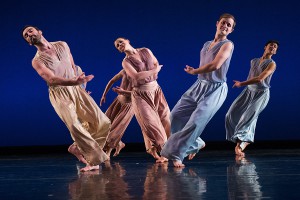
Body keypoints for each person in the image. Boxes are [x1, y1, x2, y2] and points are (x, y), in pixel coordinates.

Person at [22, 25, 111, 172]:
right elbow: (51, 79)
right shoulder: (37, 61)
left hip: (76, 88)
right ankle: (93, 160)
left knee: (103, 122)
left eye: (30, 31)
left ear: (39, 31)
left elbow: (72, 66)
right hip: (59, 93)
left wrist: (80, 86)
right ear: (29, 43)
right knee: (75, 125)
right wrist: (74, 82)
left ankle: (76, 147)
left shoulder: (62, 45)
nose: (29, 35)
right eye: (26, 36)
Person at [161, 13, 236, 167]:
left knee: (195, 122)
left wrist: (195, 71)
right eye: (223, 23)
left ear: (231, 30)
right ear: (217, 24)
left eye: (229, 25)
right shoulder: (207, 43)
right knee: (175, 116)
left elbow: (216, 65)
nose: (225, 26)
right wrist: (197, 74)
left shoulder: (228, 45)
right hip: (199, 85)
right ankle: (196, 143)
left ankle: (177, 155)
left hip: (215, 89)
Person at [114, 37, 171, 161]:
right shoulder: (126, 62)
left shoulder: (146, 50)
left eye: (120, 42)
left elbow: (156, 61)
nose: (119, 45)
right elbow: (136, 76)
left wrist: (154, 69)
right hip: (140, 93)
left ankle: (169, 148)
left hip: (155, 89)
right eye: (117, 45)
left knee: (166, 118)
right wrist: (155, 70)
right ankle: (164, 150)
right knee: (150, 122)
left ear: (127, 41)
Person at [225, 40, 279, 157]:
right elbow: (252, 76)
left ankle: (240, 145)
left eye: (275, 47)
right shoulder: (253, 61)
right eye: (271, 45)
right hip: (248, 91)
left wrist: (241, 83)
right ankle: (244, 140)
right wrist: (245, 85)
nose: (273, 48)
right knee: (230, 114)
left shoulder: (272, 64)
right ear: (265, 47)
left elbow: (260, 78)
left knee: (248, 117)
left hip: (261, 94)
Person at [100, 69, 134, 157]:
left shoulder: (140, 76)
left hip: (129, 105)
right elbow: (112, 81)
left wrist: (123, 92)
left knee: (115, 129)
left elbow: (139, 93)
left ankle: (108, 151)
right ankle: (119, 143)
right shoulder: (125, 71)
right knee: (105, 124)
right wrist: (104, 95)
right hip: (118, 101)